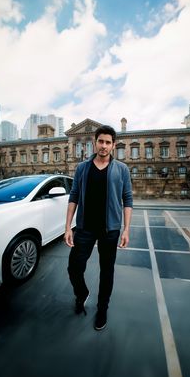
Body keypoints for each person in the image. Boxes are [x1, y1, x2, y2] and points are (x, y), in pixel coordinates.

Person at [64, 125, 133, 331]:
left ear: (113, 145)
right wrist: (68, 226)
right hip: (84, 228)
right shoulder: (82, 168)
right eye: (100, 141)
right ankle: (82, 293)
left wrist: (126, 229)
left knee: (107, 271)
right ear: (95, 142)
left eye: (108, 142)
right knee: (74, 267)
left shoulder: (121, 169)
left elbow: (127, 199)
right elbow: (74, 195)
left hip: (109, 230)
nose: (103, 146)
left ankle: (102, 307)